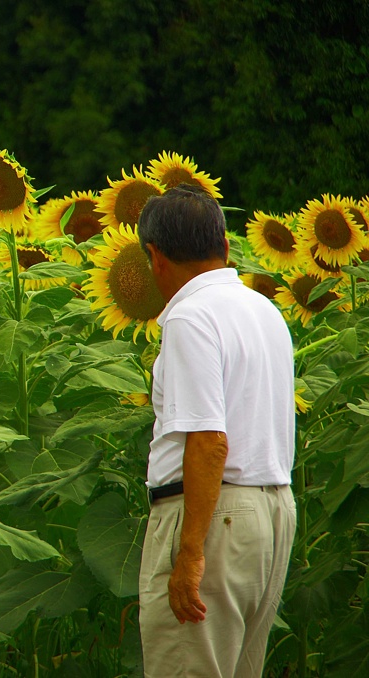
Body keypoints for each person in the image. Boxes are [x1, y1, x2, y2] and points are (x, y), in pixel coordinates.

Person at [136, 185, 296, 678]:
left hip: (213, 514)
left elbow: (209, 441)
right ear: (224, 246)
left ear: (155, 257)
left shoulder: (190, 316)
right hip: (272, 511)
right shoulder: (263, 310)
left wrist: (189, 552)